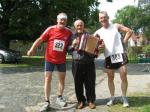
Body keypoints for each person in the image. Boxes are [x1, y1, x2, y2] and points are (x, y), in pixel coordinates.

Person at [27, 12, 72, 111]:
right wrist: (32, 49)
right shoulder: (50, 29)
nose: (62, 21)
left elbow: (74, 41)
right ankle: (46, 101)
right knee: (48, 79)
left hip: (61, 60)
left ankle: (59, 97)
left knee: (62, 79)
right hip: (50, 59)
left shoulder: (69, 32)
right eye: (61, 19)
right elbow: (40, 39)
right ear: (57, 20)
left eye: (64, 20)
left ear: (66, 21)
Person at [94, 11, 133, 107]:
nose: (103, 19)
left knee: (123, 75)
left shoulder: (115, 26)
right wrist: (98, 48)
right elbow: (90, 40)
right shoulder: (99, 31)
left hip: (120, 54)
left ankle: (124, 97)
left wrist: (124, 41)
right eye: (101, 18)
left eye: (104, 17)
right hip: (108, 56)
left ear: (108, 17)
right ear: (99, 19)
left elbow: (130, 31)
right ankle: (112, 97)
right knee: (110, 78)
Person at [70, 19, 99, 109]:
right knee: (77, 83)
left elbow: (95, 49)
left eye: (81, 25)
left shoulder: (90, 36)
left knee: (90, 83)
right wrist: (73, 45)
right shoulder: (71, 36)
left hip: (89, 63)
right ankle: (80, 101)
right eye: (77, 25)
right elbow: (68, 49)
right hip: (77, 63)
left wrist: (97, 48)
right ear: (75, 27)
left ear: (83, 25)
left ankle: (90, 101)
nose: (79, 27)